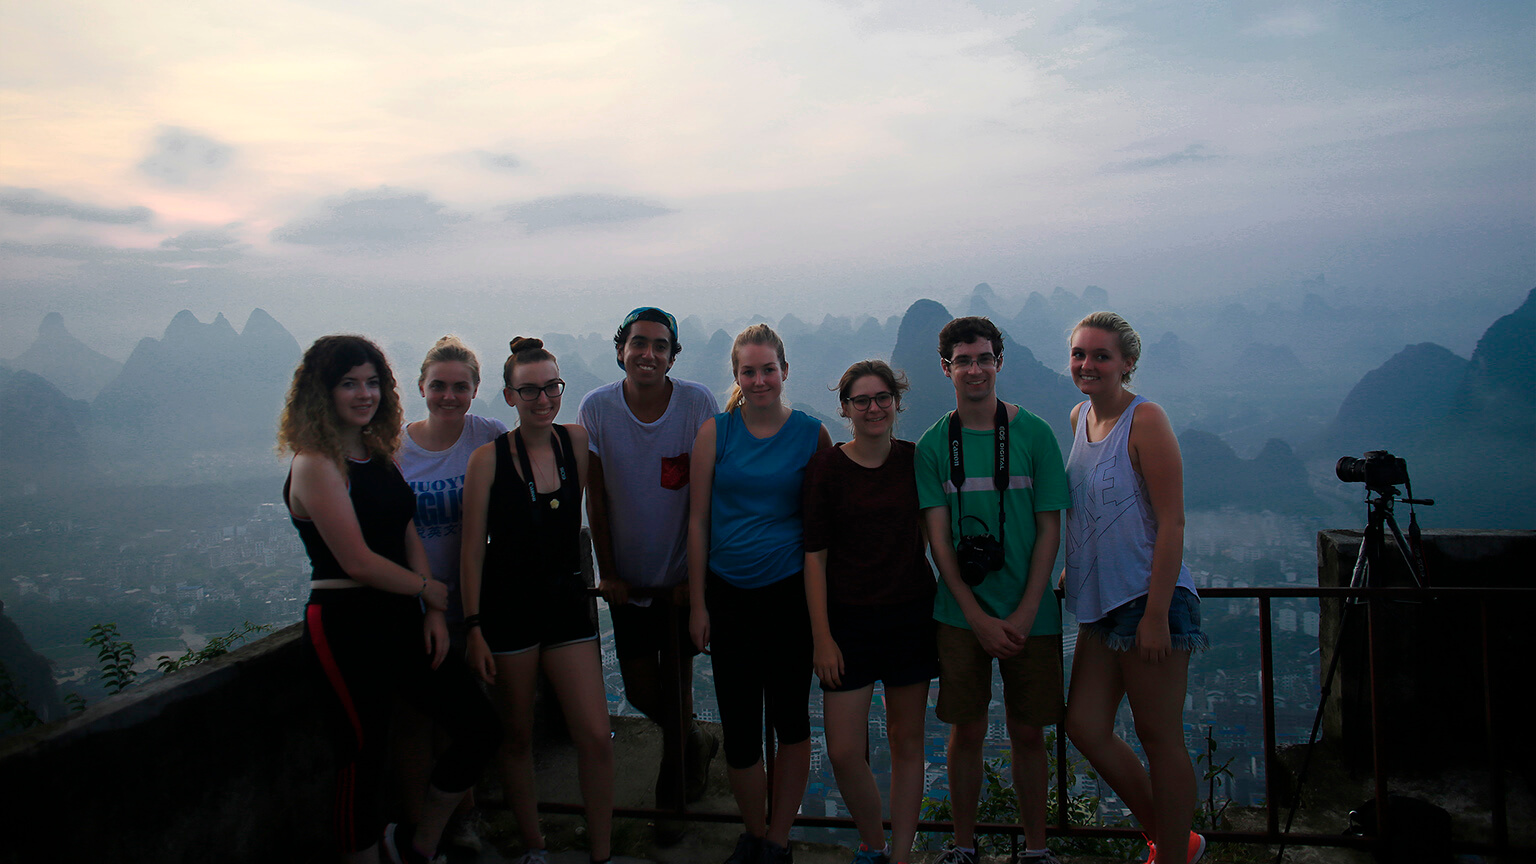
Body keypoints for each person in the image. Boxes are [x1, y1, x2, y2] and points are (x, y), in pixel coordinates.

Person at [280, 334, 499, 864]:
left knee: (477, 726)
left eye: (372, 382)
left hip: (403, 617)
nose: (364, 394)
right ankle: (362, 854)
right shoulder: (316, 463)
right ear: (321, 392)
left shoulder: (375, 453)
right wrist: (429, 589)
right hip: (345, 622)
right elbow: (355, 560)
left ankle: (415, 844)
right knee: (360, 752)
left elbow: (408, 530)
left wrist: (432, 613)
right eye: (349, 383)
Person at [914, 317, 1069, 864]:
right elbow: (938, 545)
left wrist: (1029, 610)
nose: (974, 369)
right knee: (967, 732)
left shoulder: (1035, 435)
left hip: (1034, 614)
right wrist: (976, 616)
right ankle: (962, 844)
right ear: (946, 369)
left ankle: (1035, 848)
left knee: (1029, 734)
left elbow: (1051, 527)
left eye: (983, 358)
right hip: (960, 616)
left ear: (999, 363)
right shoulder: (934, 445)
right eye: (963, 361)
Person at [1061, 312, 1208, 864]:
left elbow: (1172, 522)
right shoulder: (1080, 416)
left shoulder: (1145, 420)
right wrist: (1073, 566)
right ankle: (1176, 840)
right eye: (1080, 354)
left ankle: (1170, 854)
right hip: (1101, 603)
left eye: (1101, 355)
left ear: (1127, 362)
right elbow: (1091, 509)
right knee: (1085, 726)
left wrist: (1156, 614)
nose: (1088, 364)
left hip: (1150, 601)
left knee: (1158, 737)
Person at [460, 337, 614, 864]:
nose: (543, 398)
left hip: (566, 602)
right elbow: (472, 549)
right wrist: (474, 625)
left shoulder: (575, 442)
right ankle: (534, 848)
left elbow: (611, 501)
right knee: (517, 736)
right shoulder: (488, 460)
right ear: (509, 395)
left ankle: (601, 852)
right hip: (508, 610)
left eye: (552, 387)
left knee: (596, 734)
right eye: (530, 390)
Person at [688, 323, 832, 864]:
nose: (759, 378)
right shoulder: (715, 434)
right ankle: (755, 833)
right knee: (742, 729)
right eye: (748, 371)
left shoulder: (811, 435)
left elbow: (821, 528)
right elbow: (698, 521)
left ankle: (777, 841)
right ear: (737, 377)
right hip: (729, 597)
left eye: (768, 368)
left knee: (792, 723)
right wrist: (699, 602)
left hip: (789, 597)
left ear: (785, 371)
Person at [578, 307, 719, 811]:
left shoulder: (696, 403)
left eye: (661, 345)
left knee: (678, 681)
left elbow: (708, 494)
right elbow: (595, 495)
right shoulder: (596, 408)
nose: (648, 353)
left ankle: (673, 792)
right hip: (629, 581)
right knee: (640, 690)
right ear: (621, 350)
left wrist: (698, 581)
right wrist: (610, 573)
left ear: (673, 356)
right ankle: (696, 742)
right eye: (639, 343)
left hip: (680, 577)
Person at [803, 360, 937, 864]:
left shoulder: (913, 460)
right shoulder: (827, 469)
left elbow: (932, 533)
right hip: (848, 624)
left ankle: (899, 854)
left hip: (909, 617)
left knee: (908, 742)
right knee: (842, 749)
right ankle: (873, 842)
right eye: (862, 400)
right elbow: (813, 556)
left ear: (897, 403)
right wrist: (822, 637)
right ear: (845, 409)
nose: (874, 408)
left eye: (883, 398)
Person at [395, 335, 507, 851]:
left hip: (472, 607)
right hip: (418, 612)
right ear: (421, 387)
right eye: (438, 385)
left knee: (466, 725)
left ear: (476, 390)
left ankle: (459, 823)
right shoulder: (395, 451)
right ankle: (421, 828)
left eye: (460, 386)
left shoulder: (487, 435)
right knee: (420, 726)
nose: (448, 396)